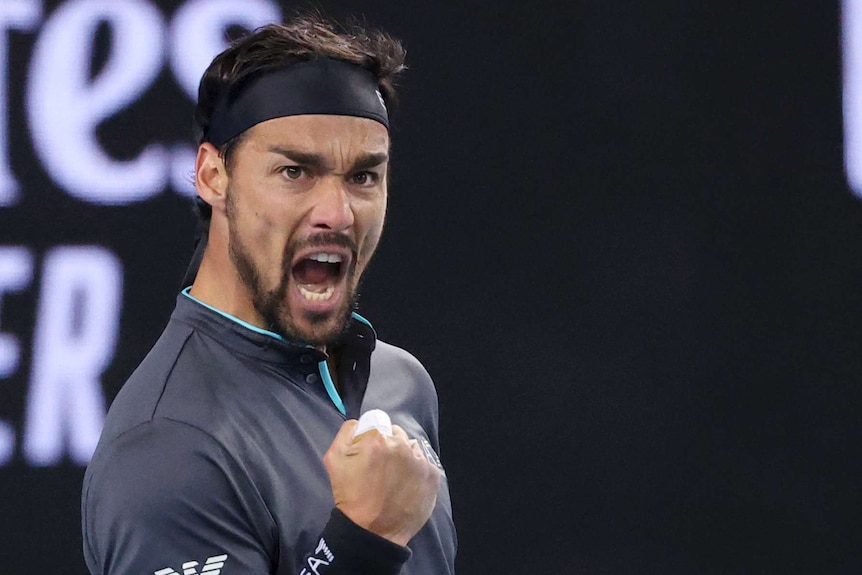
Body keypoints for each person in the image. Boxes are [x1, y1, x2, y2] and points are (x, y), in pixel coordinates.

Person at [81, 13, 456, 575]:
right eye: (294, 172)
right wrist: (362, 539)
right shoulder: (167, 450)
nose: (338, 213)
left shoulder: (399, 382)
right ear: (213, 176)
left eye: (363, 177)